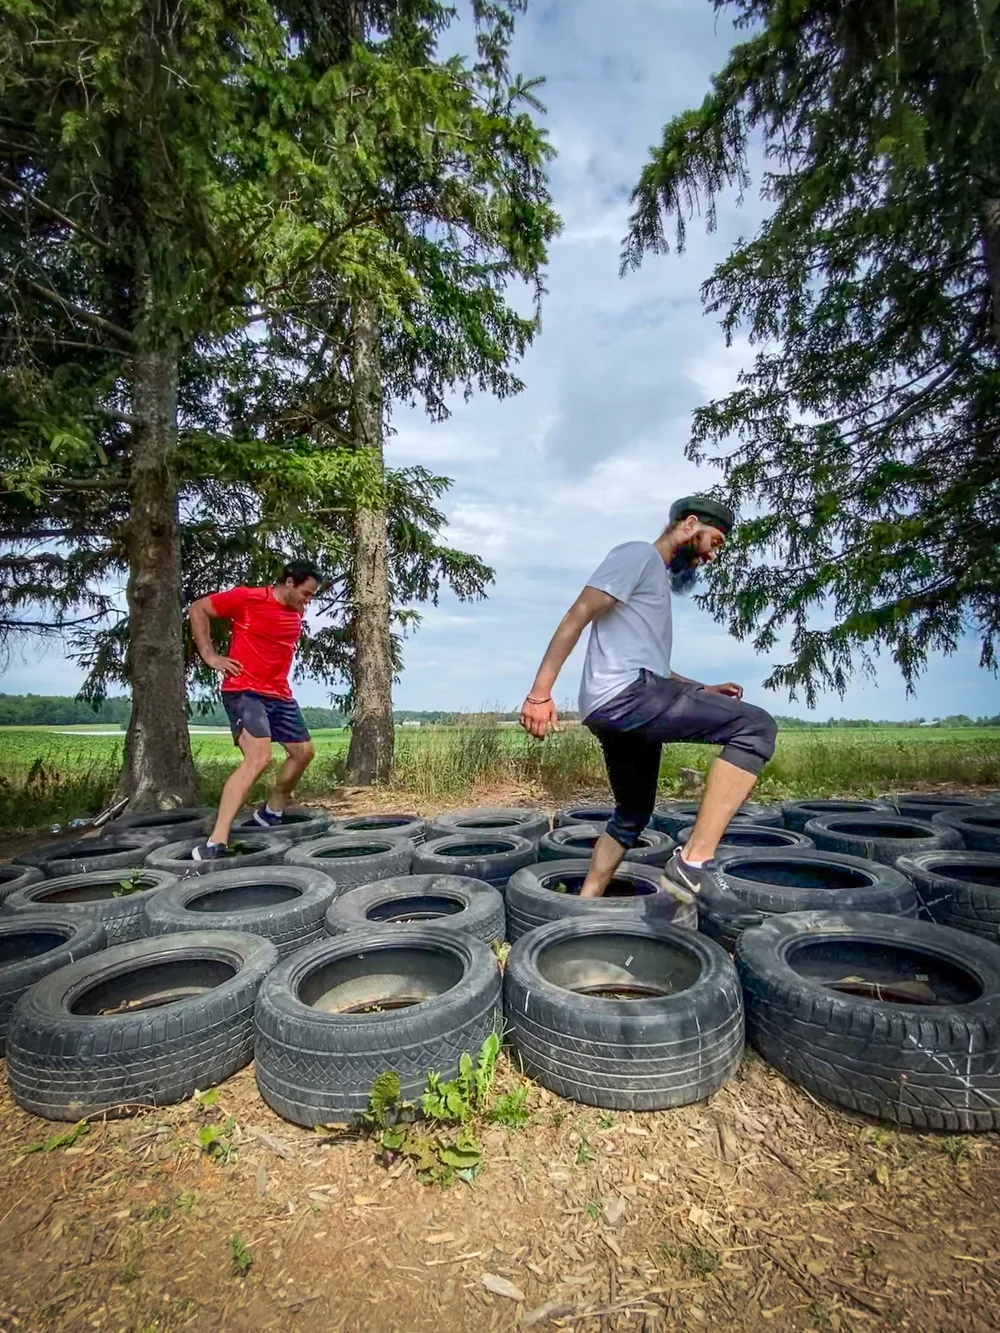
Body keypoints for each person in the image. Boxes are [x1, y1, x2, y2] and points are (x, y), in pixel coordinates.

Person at [519, 496, 776, 898]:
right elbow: (579, 613)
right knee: (756, 726)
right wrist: (540, 694)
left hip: (624, 702)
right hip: (627, 696)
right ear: (689, 525)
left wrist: (699, 689)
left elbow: (654, 667)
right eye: (714, 542)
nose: (711, 556)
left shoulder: (652, 581)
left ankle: (583, 905)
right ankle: (692, 863)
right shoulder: (638, 555)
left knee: (632, 814)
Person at [188, 560, 322, 860]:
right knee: (259, 758)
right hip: (245, 691)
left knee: (304, 752)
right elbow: (198, 609)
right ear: (289, 582)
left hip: (279, 694)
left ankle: (272, 810)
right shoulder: (248, 598)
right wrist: (210, 655)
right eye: (307, 593)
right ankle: (216, 841)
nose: (308, 601)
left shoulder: (295, 611)